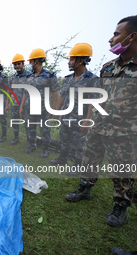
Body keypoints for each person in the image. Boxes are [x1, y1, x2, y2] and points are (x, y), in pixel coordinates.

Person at [65, 15, 137, 228]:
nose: (111, 39)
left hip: (124, 132)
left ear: (132, 36)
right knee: (90, 159)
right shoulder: (107, 68)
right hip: (99, 125)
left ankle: (120, 206)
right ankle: (85, 188)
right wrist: (89, 120)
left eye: (116, 34)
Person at [49, 43, 100, 176]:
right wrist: (56, 111)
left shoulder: (92, 80)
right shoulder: (68, 79)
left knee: (79, 144)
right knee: (64, 140)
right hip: (66, 118)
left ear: (80, 61)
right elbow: (62, 96)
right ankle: (62, 159)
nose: (68, 62)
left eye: (71, 59)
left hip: (80, 119)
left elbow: (94, 102)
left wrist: (88, 120)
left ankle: (78, 167)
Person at [19, 48, 60, 158]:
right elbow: (25, 92)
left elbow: (56, 91)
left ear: (36, 61)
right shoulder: (29, 77)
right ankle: (31, 145)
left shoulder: (49, 75)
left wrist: (54, 108)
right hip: (29, 108)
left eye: (31, 61)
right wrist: (22, 107)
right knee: (30, 128)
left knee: (45, 130)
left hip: (43, 109)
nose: (29, 64)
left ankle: (46, 150)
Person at [5, 53, 32, 145]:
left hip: (26, 105)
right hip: (15, 104)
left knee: (27, 123)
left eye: (19, 64)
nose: (17, 66)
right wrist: (7, 104)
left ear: (23, 64)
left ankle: (29, 141)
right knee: (15, 121)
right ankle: (16, 138)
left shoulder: (29, 75)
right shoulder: (12, 78)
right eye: (15, 65)